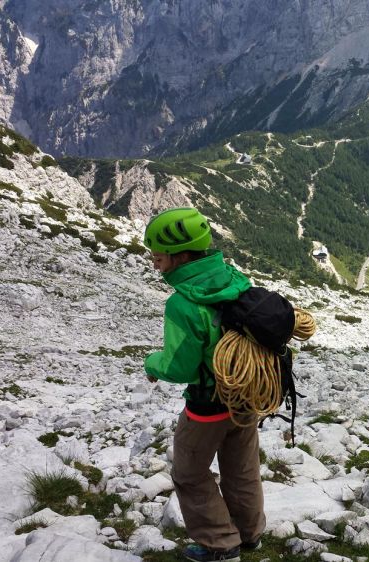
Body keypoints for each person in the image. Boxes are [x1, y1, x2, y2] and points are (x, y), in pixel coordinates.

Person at [143, 207, 265, 562]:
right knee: (242, 470)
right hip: (246, 395)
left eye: (159, 258)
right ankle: (250, 534)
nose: (155, 265)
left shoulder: (182, 303)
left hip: (207, 405)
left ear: (180, 257)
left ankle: (221, 544)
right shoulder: (233, 278)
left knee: (190, 473)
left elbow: (179, 367)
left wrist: (151, 363)